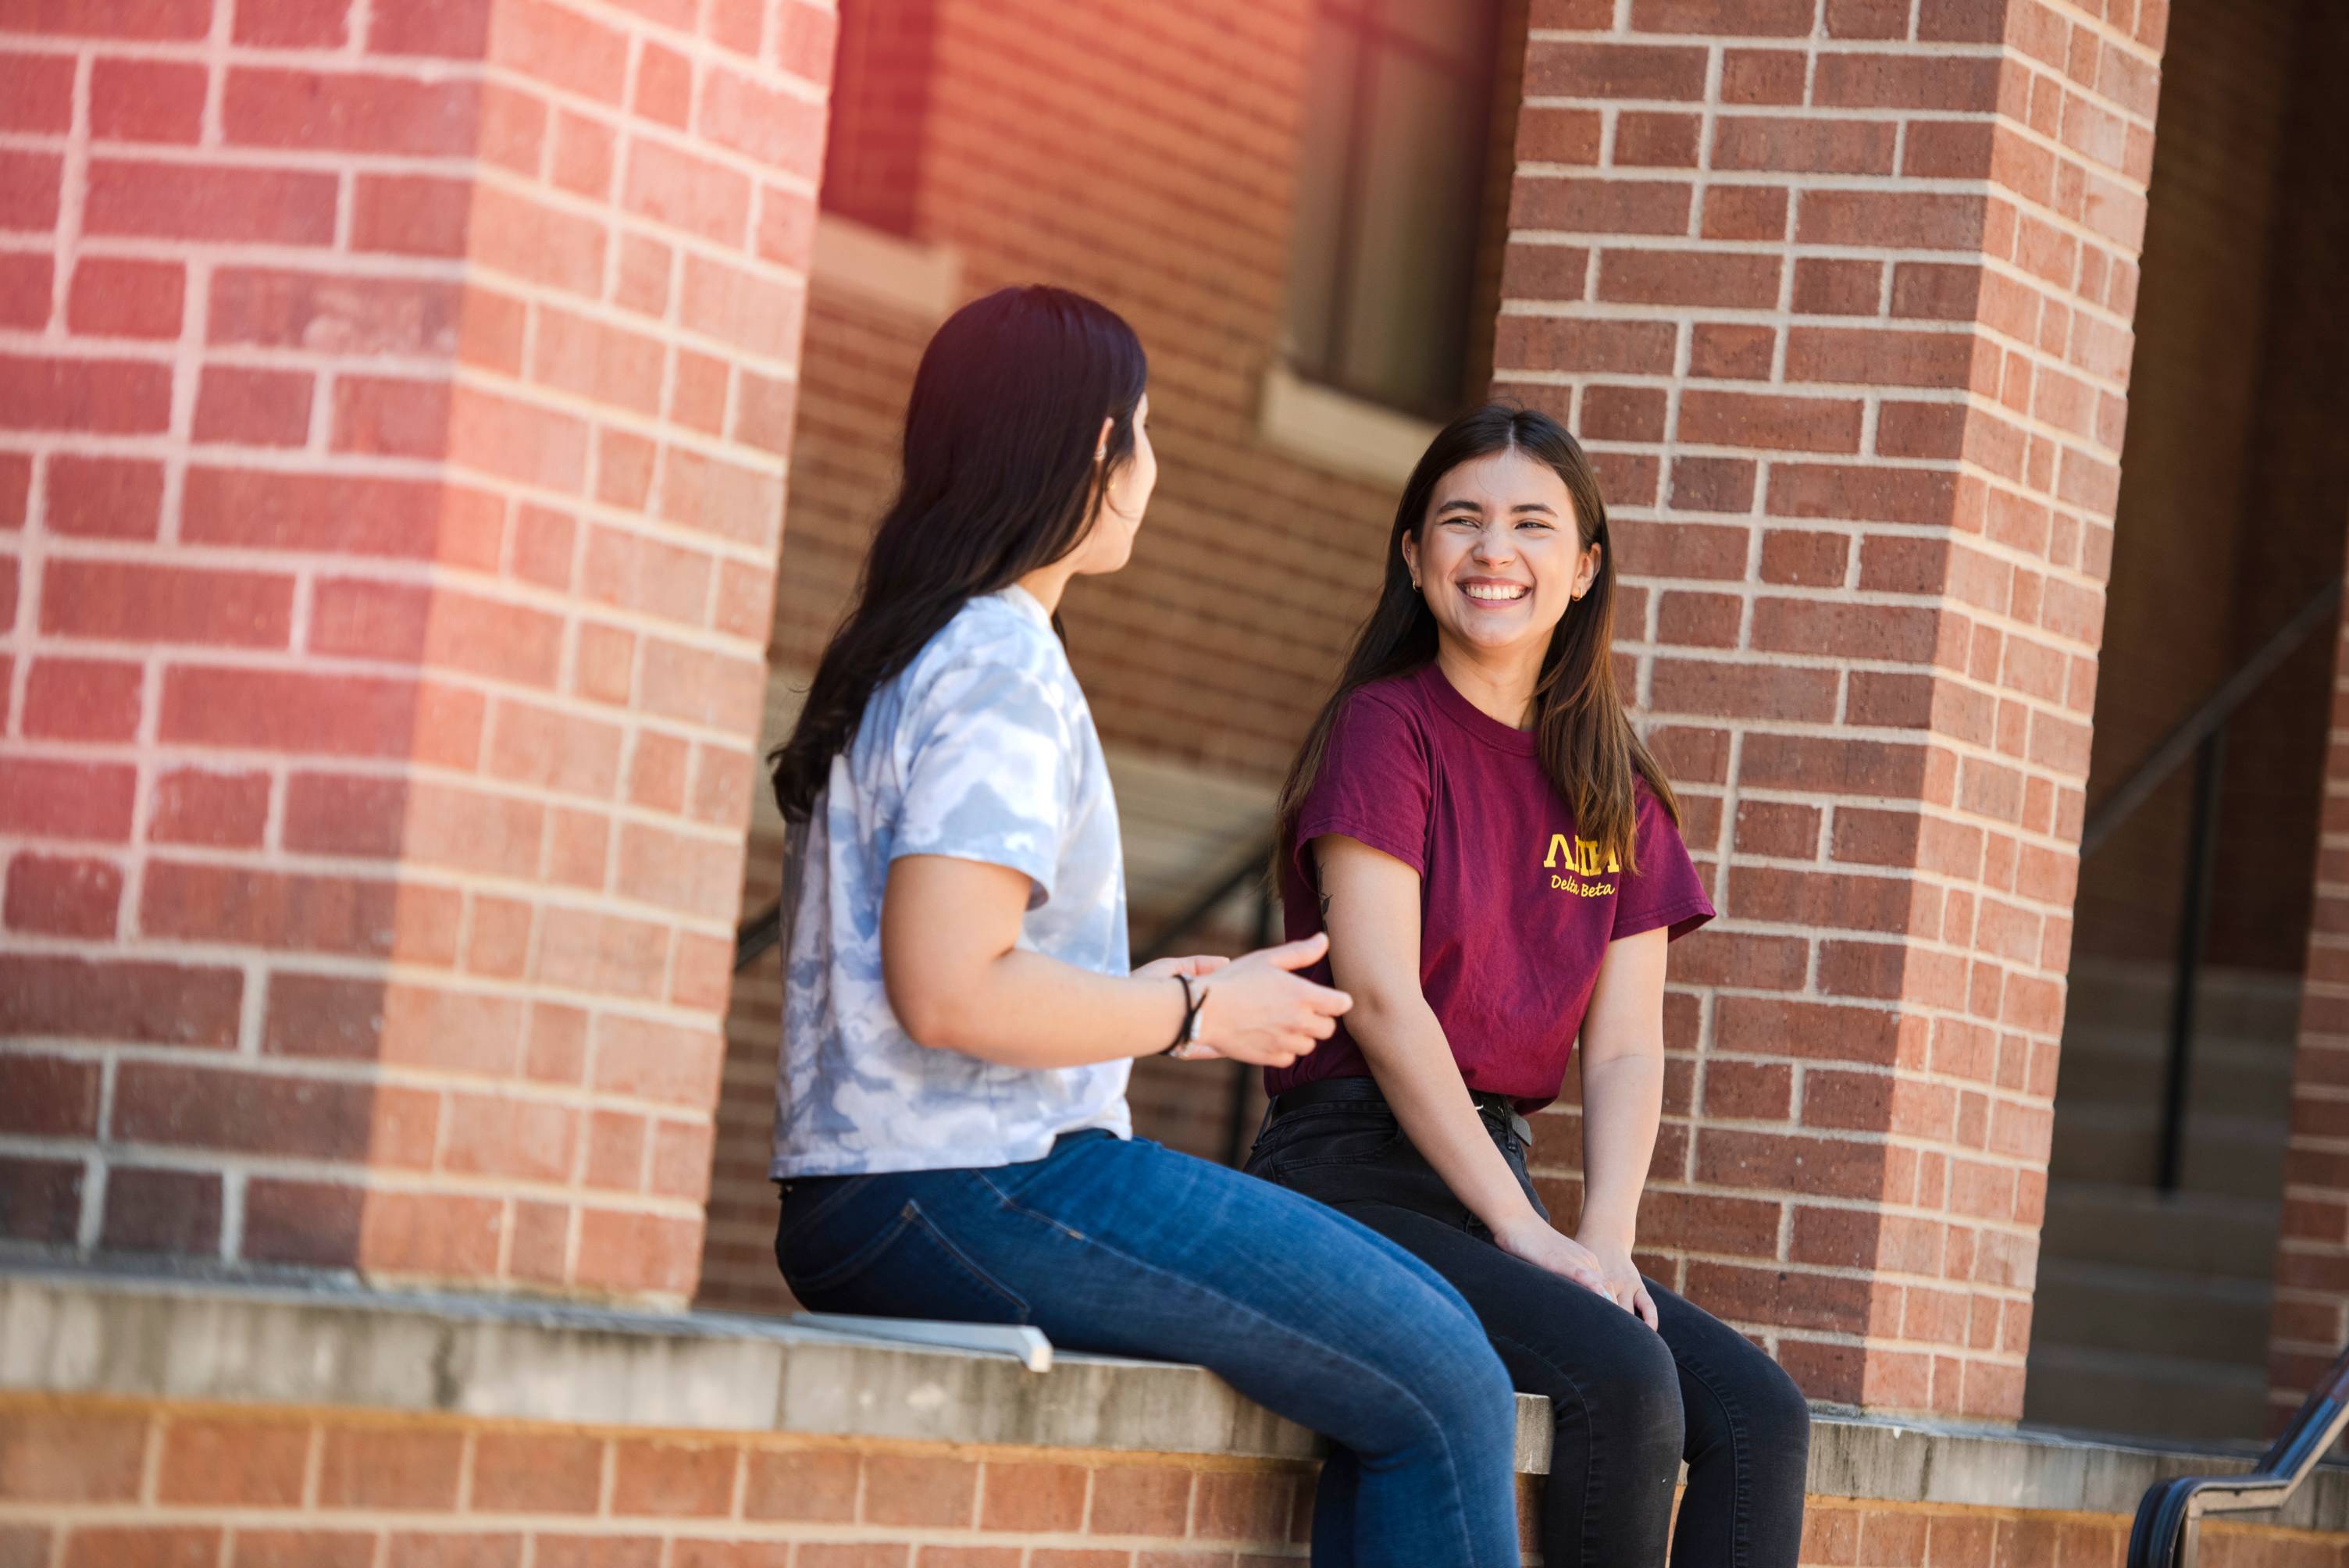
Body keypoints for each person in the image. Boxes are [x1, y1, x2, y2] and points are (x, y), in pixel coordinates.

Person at [765, 285, 1524, 1566]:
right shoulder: (996, 663)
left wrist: (1159, 988)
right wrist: (1190, 1014)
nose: (1153, 469)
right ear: (1086, 453)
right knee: (1447, 1371)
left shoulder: (923, 647)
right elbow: (949, 986)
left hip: (892, 1191)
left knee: (1411, 1367)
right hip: (967, 1185)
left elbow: (971, 965)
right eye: (1144, 432)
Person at [1244, 403, 1812, 1566]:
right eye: (1461, 520)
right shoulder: (1385, 732)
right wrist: (1522, 1229)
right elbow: (1386, 999)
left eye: (1531, 525)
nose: (1493, 551)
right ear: (1414, 555)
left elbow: (1624, 1049)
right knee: (1621, 1377)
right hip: (1356, 1175)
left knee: (1759, 1415)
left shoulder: (1616, 783)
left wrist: (1601, 1237)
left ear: (1585, 565)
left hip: (1494, 1181)